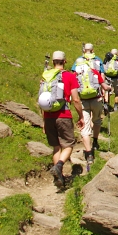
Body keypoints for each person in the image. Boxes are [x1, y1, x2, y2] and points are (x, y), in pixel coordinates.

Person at [39, 50, 83, 189]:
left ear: (53, 62)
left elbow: (42, 100)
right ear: (65, 62)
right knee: (69, 144)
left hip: (48, 116)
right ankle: (59, 166)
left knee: (56, 147)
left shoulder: (46, 77)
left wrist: (44, 121)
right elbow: (75, 99)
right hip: (63, 115)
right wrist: (81, 116)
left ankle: (59, 177)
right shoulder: (69, 76)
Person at [74, 55, 109, 173]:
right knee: (97, 120)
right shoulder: (93, 71)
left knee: (85, 127)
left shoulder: (75, 75)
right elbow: (104, 86)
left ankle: (89, 154)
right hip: (96, 99)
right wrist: (108, 89)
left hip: (83, 102)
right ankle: (95, 141)